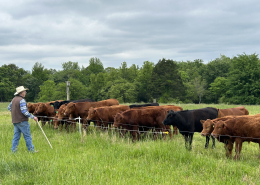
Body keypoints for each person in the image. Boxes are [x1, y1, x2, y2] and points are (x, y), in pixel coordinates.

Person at [7, 86, 38, 153]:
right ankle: (31, 151)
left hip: (15, 121)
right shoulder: (22, 100)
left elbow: (9, 108)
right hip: (22, 121)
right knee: (27, 137)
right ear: (21, 93)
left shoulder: (13, 99)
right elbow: (24, 112)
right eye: (24, 91)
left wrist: (16, 112)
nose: (25, 92)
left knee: (16, 137)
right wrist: (33, 117)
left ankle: (13, 151)